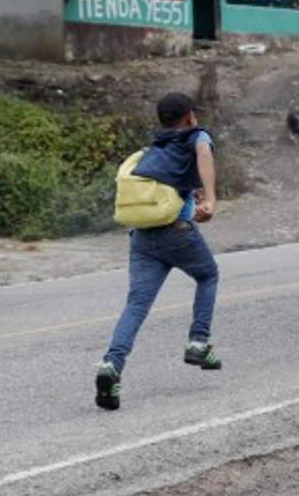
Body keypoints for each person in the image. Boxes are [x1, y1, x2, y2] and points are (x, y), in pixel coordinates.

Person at [94, 93, 221, 411]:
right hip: (176, 233)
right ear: (190, 116)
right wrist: (211, 197)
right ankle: (198, 341)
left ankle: (112, 365)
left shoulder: (153, 147)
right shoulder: (196, 136)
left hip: (141, 237)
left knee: (136, 305)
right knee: (208, 275)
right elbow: (204, 151)